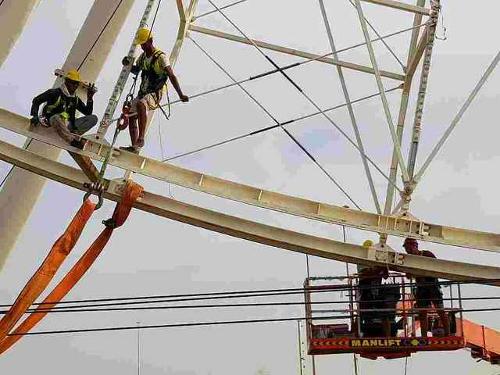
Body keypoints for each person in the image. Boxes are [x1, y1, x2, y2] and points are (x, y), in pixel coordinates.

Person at [120, 28, 189, 153]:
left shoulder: (161, 57)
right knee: (131, 113)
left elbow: (171, 76)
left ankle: (141, 138)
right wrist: (127, 64)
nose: (142, 47)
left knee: (141, 104)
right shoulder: (142, 57)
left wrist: (180, 94)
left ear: (150, 41)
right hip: (143, 92)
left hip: (154, 94)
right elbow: (137, 70)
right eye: (141, 44)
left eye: (144, 43)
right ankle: (135, 147)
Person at [30, 69, 97, 149]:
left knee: (93, 118)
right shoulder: (55, 93)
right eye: (73, 83)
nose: (75, 86)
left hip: (67, 126)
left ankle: (72, 134)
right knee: (56, 117)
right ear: (67, 81)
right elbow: (36, 100)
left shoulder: (74, 99)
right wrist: (35, 115)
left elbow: (87, 112)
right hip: (51, 123)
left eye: (77, 84)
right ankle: (73, 141)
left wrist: (90, 98)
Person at [403, 237, 449, 337]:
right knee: (422, 313)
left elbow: (437, 266)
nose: (407, 250)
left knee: (440, 310)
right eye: (406, 249)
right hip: (421, 287)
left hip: (432, 284)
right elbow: (408, 275)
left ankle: (447, 333)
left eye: (409, 248)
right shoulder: (409, 259)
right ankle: (424, 336)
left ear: (415, 246)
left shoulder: (427, 255)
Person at [357, 240, 399, 337]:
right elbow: (365, 273)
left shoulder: (378, 259)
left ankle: (388, 336)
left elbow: (385, 275)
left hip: (377, 289)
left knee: (384, 314)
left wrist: (383, 267)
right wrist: (378, 270)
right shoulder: (361, 260)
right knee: (362, 313)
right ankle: (358, 333)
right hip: (366, 290)